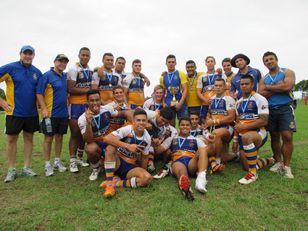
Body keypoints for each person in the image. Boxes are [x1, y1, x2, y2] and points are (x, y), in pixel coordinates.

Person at [0, 45, 42, 182]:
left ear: (33, 56)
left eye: (30, 54)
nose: (28, 56)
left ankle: (26, 168)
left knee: (29, 139)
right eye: (25, 53)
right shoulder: (10, 68)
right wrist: (1, 101)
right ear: (20, 54)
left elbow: (40, 93)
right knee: (12, 140)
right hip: (13, 112)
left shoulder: (37, 72)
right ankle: (11, 169)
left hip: (31, 113)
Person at [78, 89, 131, 181]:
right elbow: (88, 140)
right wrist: (88, 123)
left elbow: (121, 113)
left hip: (108, 141)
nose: (95, 103)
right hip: (96, 143)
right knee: (90, 148)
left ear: (100, 100)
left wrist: (130, 113)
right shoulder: (82, 118)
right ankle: (95, 168)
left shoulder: (107, 109)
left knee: (115, 166)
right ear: (87, 102)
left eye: (97, 100)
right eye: (92, 100)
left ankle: (105, 162)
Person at [259, 51, 296, 178]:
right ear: (264, 63)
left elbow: (288, 86)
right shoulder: (264, 79)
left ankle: (287, 167)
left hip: (285, 108)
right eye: (266, 60)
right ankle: (278, 162)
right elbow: (261, 94)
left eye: (271, 59)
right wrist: (277, 86)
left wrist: (269, 88)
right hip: (271, 110)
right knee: (274, 137)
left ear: (276, 59)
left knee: (287, 136)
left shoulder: (287, 72)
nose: (269, 61)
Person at [101, 108, 153, 198]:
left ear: (147, 122)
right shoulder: (127, 129)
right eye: (138, 120)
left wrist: (141, 172)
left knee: (147, 178)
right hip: (118, 161)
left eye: (143, 120)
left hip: (130, 166)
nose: (141, 123)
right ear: (133, 121)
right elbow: (107, 138)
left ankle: (117, 183)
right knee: (110, 148)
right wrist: (128, 146)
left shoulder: (147, 138)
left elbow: (145, 158)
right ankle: (109, 184)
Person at [233, 74, 273, 185]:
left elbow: (264, 121)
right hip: (242, 136)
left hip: (258, 133)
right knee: (247, 165)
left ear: (252, 85)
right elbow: (238, 123)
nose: (244, 86)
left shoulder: (260, 99)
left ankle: (253, 174)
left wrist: (244, 127)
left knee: (247, 137)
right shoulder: (238, 102)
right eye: (242, 84)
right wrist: (235, 140)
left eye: (247, 84)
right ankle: (271, 160)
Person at [36, 54, 70, 176]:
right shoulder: (47, 75)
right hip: (50, 114)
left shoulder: (65, 77)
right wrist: (43, 108)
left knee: (59, 138)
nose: (62, 64)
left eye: (65, 62)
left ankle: (57, 161)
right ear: (55, 62)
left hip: (63, 114)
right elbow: (39, 93)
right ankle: (47, 164)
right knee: (48, 139)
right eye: (60, 61)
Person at [67, 47, 93, 173]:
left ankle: (79, 158)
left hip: (87, 105)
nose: (85, 57)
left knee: (84, 132)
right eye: (83, 55)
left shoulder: (90, 70)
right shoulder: (73, 69)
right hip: (75, 104)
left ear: (90, 57)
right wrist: (87, 91)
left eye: (87, 55)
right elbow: (71, 89)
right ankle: (72, 161)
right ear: (79, 55)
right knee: (75, 133)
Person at [170, 117, 208, 200]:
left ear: (190, 126)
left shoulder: (196, 139)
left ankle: (201, 180)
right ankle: (187, 190)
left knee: (202, 149)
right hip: (178, 160)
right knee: (182, 172)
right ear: (178, 126)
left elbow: (206, 151)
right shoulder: (173, 138)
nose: (185, 127)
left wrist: (210, 142)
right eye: (182, 125)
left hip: (191, 161)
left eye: (187, 125)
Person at [205, 78, 236, 173]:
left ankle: (217, 162)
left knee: (215, 134)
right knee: (224, 158)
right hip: (215, 128)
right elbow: (210, 114)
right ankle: (236, 155)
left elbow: (231, 118)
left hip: (227, 128)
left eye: (220, 85)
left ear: (224, 87)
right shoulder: (212, 99)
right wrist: (208, 120)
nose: (218, 87)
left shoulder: (229, 99)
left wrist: (215, 122)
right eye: (216, 85)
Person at [160, 54, 189, 125]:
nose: (171, 64)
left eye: (173, 62)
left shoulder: (180, 73)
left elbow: (185, 89)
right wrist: (163, 103)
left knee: (184, 122)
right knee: (170, 124)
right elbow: (163, 92)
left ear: (175, 63)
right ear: (166, 63)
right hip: (169, 101)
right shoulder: (162, 77)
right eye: (169, 62)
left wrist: (180, 103)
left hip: (180, 100)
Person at [197, 56, 226, 120]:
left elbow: (225, 88)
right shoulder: (201, 77)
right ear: (206, 64)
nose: (210, 63)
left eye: (211, 61)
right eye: (208, 62)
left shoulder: (220, 74)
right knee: (204, 123)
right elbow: (198, 91)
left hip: (218, 102)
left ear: (215, 63)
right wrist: (205, 99)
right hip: (206, 103)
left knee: (217, 121)